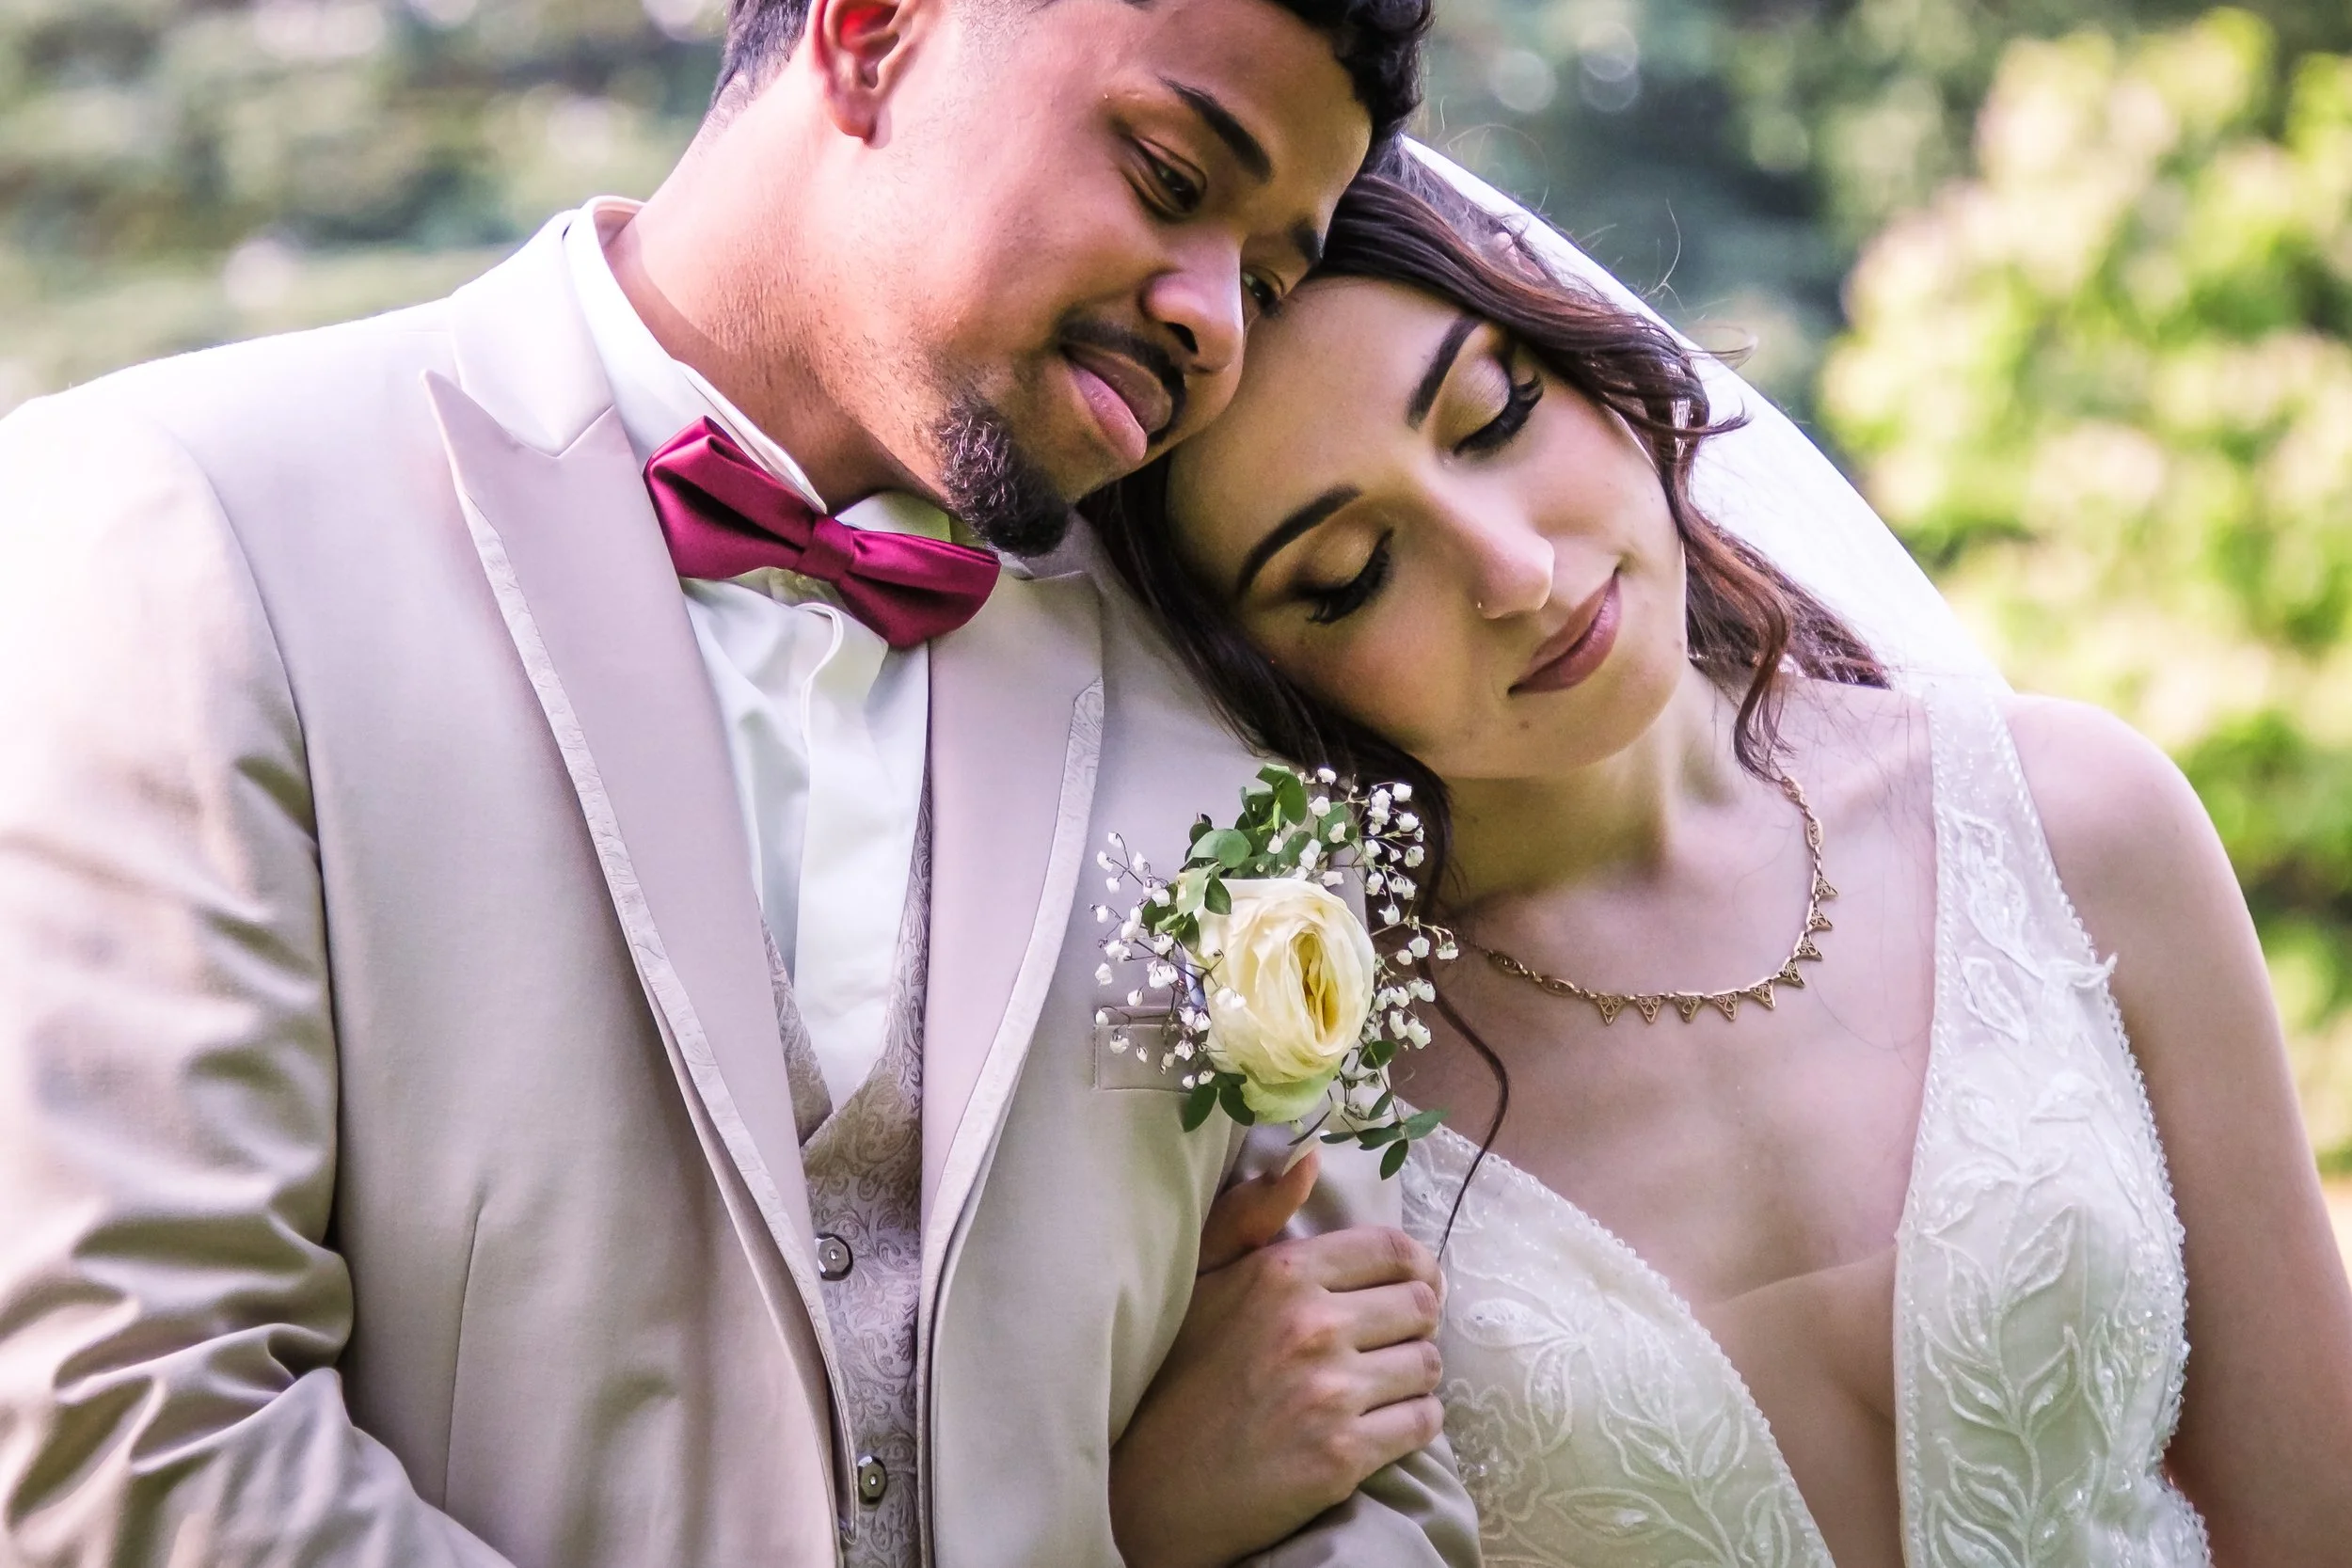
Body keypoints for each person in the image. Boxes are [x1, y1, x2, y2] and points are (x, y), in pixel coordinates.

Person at [0, 0, 1482, 1562]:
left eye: (1265, 277)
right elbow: (131, 1425)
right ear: (871, 33)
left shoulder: (1217, 731)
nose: (1214, 323)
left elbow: (1363, 1461)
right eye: (1174, 175)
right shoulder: (193, 520)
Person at [1084, 158, 2352, 1565]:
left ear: (1577, 351)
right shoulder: (1285, 1083)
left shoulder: (2077, 825)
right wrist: (1145, 1522)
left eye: (1494, 416)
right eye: (1352, 573)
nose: (1513, 571)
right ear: (1254, 671)